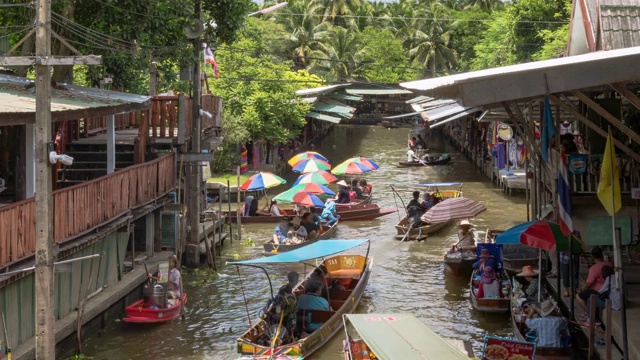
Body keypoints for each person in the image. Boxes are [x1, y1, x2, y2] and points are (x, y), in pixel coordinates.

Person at [577, 247, 612, 316]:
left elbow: (588, 284)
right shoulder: (610, 264)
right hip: (609, 290)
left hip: (600, 292)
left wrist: (581, 289)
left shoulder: (594, 269)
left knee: (578, 296)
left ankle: (590, 314)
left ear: (593, 256)